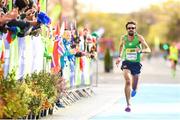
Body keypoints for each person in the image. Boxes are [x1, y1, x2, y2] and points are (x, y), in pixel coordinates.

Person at [116, 21, 151, 112]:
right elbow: (120, 46)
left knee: (134, 85)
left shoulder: (139, 38)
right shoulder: (123, 38)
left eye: (133, 28)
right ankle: (128, 104)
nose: (131, 29)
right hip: (127, 62)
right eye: (129, 28)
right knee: (128, 81)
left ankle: (135, 89)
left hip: (136, 63)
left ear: (135, 29)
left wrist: (140, 50)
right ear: (126, 29)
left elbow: (148, 49)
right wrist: (119, 57)